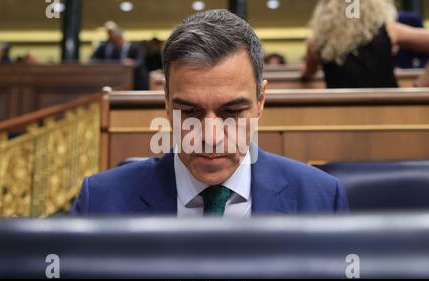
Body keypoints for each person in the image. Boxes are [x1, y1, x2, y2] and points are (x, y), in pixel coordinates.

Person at [71, 9, 348, 217]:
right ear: (166, 101)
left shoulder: (321, 199)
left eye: (231, 112)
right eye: (190, 111)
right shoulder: (99, 202)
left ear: (260, 101)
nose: (211, 136)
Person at [301, 0, 429, 88]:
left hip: (338, 114)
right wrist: (418, 86)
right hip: (389, 110)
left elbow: (308, 73)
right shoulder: (388, 31)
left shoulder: (318, 41)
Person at [90, 21, 148, 89]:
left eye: (117, 39)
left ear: (121, 37)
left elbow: (140, 61)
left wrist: (132, 63)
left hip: (134, 80)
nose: (115, 42)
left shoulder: (134, 48)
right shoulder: (108, 48)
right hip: (115, 79)